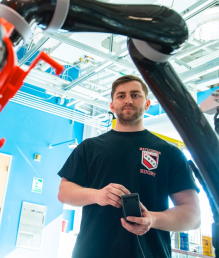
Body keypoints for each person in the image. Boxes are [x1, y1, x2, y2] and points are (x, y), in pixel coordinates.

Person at [58, 75, 201, 258]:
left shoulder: (169, 152)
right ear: (112, 106)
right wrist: (98, 194)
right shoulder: (89, 147)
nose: (128, 101)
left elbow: (193, 215)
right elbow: (64, 192)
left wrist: (152, 219)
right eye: (121, 96)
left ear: (147, 104)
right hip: (92, 251)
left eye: (135, 95)